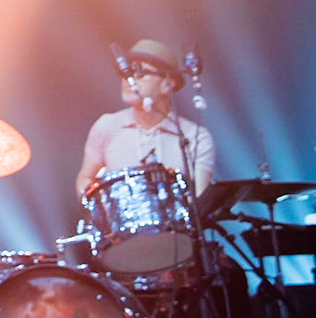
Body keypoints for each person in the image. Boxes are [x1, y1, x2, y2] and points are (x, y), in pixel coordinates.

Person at [74, 38, 215, 200]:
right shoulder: (107, 125)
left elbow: (201, 200)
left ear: (167, 84)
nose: (129, 79)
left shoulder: (196, 136)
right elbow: (85, 178)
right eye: (126, 72)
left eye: (140, 72)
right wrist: (100, 211)